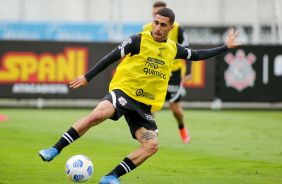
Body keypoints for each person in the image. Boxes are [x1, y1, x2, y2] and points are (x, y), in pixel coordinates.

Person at [39, 8, 241, 184]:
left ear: (171, 28)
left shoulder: (173, 49)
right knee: (97, 116)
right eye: (156, 22)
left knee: (152, 145)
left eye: (163, 25)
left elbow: (197, 55)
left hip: (145, 106)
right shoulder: (138, 40)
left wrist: (225, 47)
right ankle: (54, 149)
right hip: (124, 91)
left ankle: (111, 177)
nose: (158, 27)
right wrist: (87, 77)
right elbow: (111, 57)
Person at [143, 1, 192, 143]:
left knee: (175, 109)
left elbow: (188, 50)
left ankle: (182, 127)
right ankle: (150, 136)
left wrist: (188, 71)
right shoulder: (146, 29)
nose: (158, 26)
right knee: (149, 106)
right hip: (154, 72)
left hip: (173, 73)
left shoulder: (177, 28)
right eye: (155, 16)